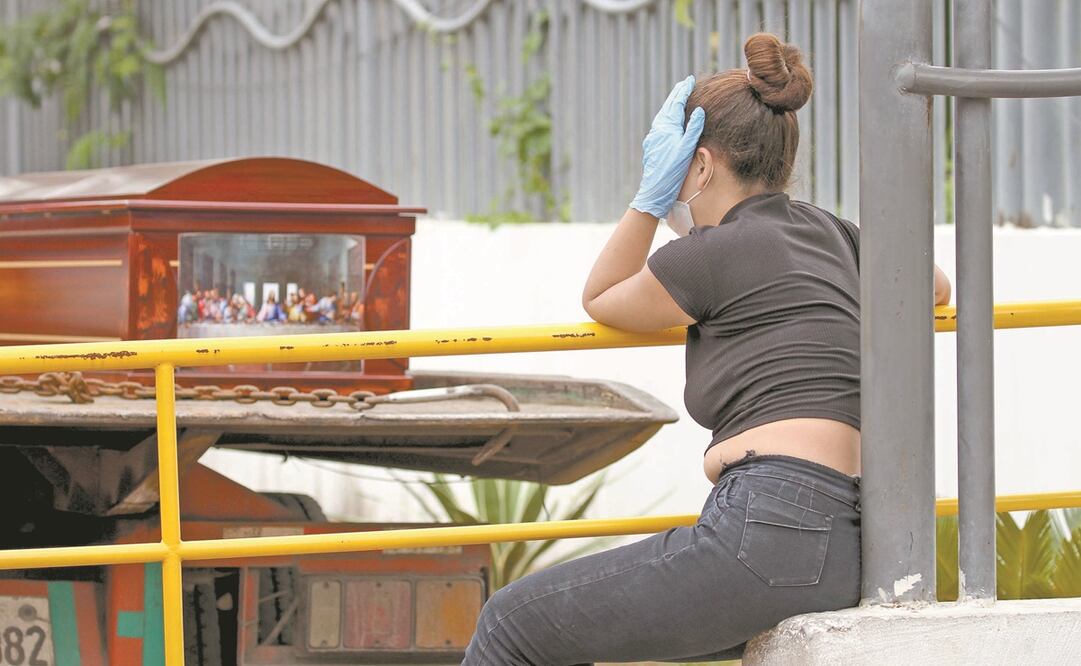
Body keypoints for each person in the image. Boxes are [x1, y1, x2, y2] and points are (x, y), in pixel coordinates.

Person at [462, 33, 952, 665]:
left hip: (766, 531)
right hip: (851, 536)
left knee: (509, 625)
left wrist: (647, 202)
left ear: (698, 164)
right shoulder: (835, 234)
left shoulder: (707, 255)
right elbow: (935, 286)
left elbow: (604, 296)